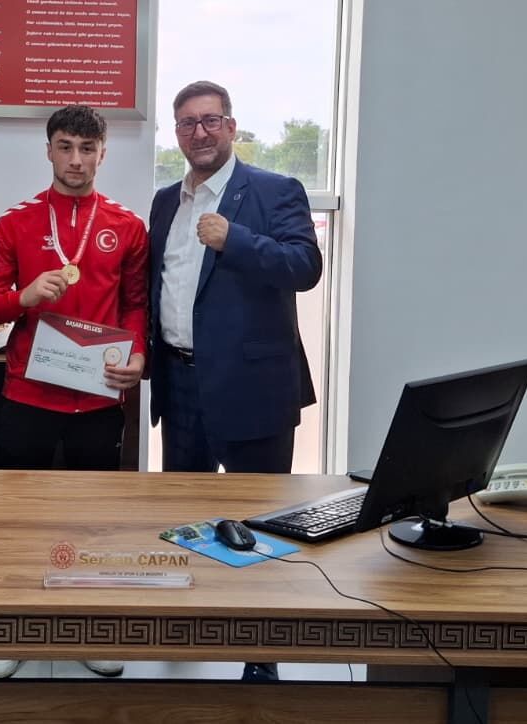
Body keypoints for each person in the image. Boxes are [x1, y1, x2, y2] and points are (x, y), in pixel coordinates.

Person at [150, 80, 323, 682]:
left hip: (254, 389)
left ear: (231, 126)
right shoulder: (164, 202)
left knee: (260, 525)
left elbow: (305, 267)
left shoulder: (275, 190)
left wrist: (235, 240)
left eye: (210, 120)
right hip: (180, 383)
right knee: (187, 519)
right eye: (187, 123)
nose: (199, 132)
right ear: (177, 134)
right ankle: (188, 626)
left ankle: (262, 652)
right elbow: (162, 287)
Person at [0, 104, 147, 680]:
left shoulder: (127, 226)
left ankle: (92, 626)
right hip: (27, 395)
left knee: (94, 521)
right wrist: (23, 297)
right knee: (17, 520)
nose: (76, 160)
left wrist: (139, 356)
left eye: (87, 149)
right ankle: (11, 627)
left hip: (98, 398)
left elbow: (136, 305)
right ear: (48, 150)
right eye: (66, 147)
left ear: (103, 153)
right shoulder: (14, 223)